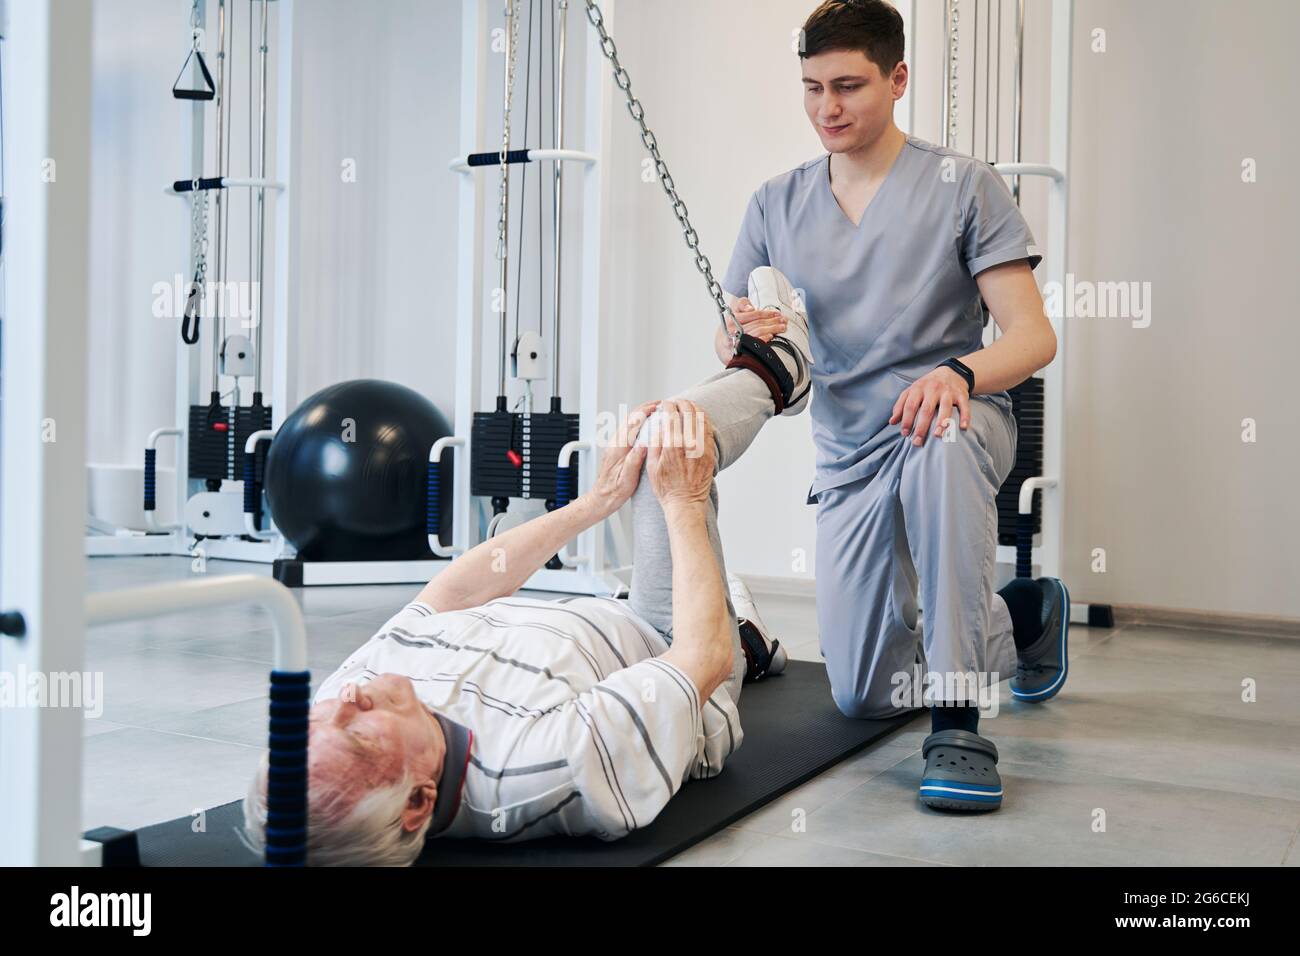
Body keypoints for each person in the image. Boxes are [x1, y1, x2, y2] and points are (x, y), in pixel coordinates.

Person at [241, 267, 813, 864]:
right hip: (668, 642)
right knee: (667, 435)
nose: (346, 700)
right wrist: (684, 499)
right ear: (418, 803)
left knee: (514, 527)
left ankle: (744, 625)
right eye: (357, 736)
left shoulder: (344, 701)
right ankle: (784, 366)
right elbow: (700, 660)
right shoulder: (551, 766)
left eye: (318, 722)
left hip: (574, 620)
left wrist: (595, 503)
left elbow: (451, 593)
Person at [716, 0, 1069, 812]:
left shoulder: (962, 185)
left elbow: (1033, 336)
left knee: (941, 440)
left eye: (848, 86)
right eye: (811, 89)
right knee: (865, 692)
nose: (827, 109)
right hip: (850, 452)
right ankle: (1022, 616)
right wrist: (749, 335)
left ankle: (957, 723)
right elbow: (733, 336)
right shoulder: (776, 203)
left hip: (958, 422)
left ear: (899, 78)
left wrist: (961, 373)